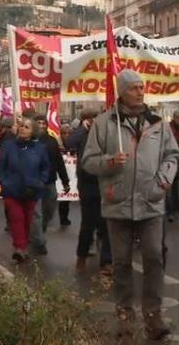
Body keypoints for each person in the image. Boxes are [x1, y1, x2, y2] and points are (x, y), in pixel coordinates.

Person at [82, 69, 179, 341]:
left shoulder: (158, 123)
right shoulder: (103, 123)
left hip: (151, 202)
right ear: (122, 92)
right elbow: (88, 161)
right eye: (134, 87)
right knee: (122, 263)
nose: (140, 91)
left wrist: (164, 180)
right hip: (118, 203)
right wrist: (109, 162)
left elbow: (172, 154)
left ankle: (153, 315)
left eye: (141, 87)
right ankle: (125, 314)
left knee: (154, 258)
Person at [0, 118, 50, 262]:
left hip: (32, 189)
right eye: (21, 126)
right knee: (16, 217)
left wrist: (40, 182)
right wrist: (4, 182)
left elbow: (45, 168)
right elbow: (0, 166)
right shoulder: (8, 145)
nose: (22, 129)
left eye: (26, 127)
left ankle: (24, 246)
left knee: (27, 219)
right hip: (11, 189)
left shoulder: (40, 148)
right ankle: (19, 247)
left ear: (33, 131)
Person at [67, 109, 112, 274]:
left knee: (108, 225)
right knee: (88, 225)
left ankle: (107, 261)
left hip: (106, 184)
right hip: (89, 186)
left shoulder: (109, 135)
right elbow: (69, 142)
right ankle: (82, 256)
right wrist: (82, 128)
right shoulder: (83, 135)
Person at [29, 115, 70, 256]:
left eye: (43, 123)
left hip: (50, 181)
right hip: (34, 182)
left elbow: (59, 161)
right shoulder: (28, 141)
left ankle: (39, 231)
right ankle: (39, 242)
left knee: (49, 210)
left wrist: (65, 181)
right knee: (36, 213)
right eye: (38, 123)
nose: (41, 125)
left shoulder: (52, 141)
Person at [58, 123, 72, 226]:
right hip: (58, 175)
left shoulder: (73, 145)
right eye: (64, 133)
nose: (67, 135)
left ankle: (64, 217)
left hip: (69, 175)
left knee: (66, 199)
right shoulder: (57, 144)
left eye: (69, 133)